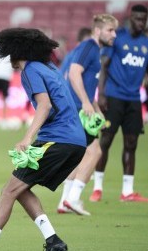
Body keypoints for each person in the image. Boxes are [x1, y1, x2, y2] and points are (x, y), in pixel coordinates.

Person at [0, 28, 86, 251]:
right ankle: (53, 241)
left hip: (58, 139)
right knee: (19, 188)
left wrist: (27, 137)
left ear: (16, 50)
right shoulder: (49, 67)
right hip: (75, 142)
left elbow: (45, 105)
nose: (8, 58)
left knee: (9, 191)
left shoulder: (30, 70)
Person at [56, 14, 118, 216]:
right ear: (98, 30)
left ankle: (64, 201)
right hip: (76, 108)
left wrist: (96, 108)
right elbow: (74, 73)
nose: (114, 34)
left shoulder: (93, 50)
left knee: (79, 155)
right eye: (110, 30)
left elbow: (86, 83)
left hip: (77, 107)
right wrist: (84, 102)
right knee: (95, 152)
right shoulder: (89, 47)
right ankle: (73, 199)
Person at [91, 4, 148, 203]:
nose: (141, 23)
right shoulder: (117, 38)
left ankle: (127, 191)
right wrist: (102, 95)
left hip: (133, 99)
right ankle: (97, 188)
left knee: (131, 144)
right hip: (114, 97)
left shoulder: (146, 43)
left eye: (144, 19)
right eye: (138, 19)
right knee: (105, 141)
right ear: (130, 18)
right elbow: (104, 66)